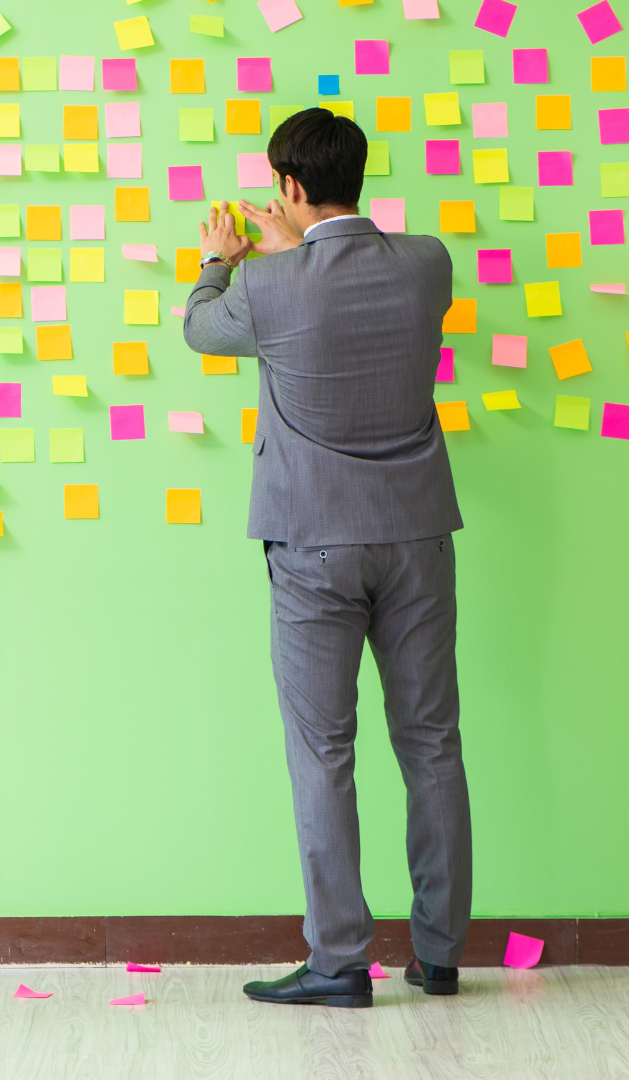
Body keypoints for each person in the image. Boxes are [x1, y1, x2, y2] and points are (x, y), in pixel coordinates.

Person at [184, 108, 471, 1009]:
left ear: (290, 188)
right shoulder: (429, 265)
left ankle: (340, 961)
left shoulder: (266, 288)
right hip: (418, 536)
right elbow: (359, 275)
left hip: (313, 543)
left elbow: (201, 329)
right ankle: (439, 954)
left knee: (322, 752)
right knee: (431, 742)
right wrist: (303, 240)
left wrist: (227, 259)